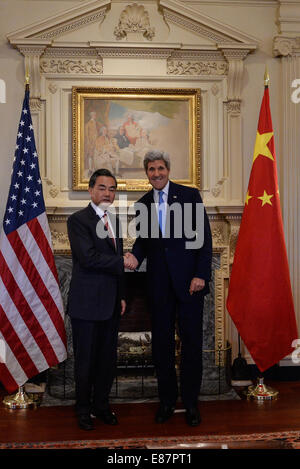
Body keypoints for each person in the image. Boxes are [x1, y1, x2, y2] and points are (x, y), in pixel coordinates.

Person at [124, 150, 212, 427]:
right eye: (151, 169)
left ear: (168, 169)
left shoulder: (189, 195)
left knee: (191, 345)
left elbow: (204, 238)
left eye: (160, 168)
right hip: (158, 286)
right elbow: (144, 242)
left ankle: (190, 403)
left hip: (189, 284)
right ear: (146, 173)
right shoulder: (143, 203)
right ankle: (166, 402)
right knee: (161, 346)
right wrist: (134, 256)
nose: (157, 173)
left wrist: (201, 274)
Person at [67, 168, 126, 431]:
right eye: (102, 188)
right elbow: (88, 258)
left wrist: (122, 295)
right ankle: (82, 409)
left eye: (112, 189)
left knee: (106, 361)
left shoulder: (116, 220)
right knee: (85, 361)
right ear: (91, 190)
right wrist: (123, 261)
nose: (107, 193)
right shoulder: (78, 220)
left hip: (112, 303)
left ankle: (101, 406)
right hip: (87, 304)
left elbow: (117, 266)